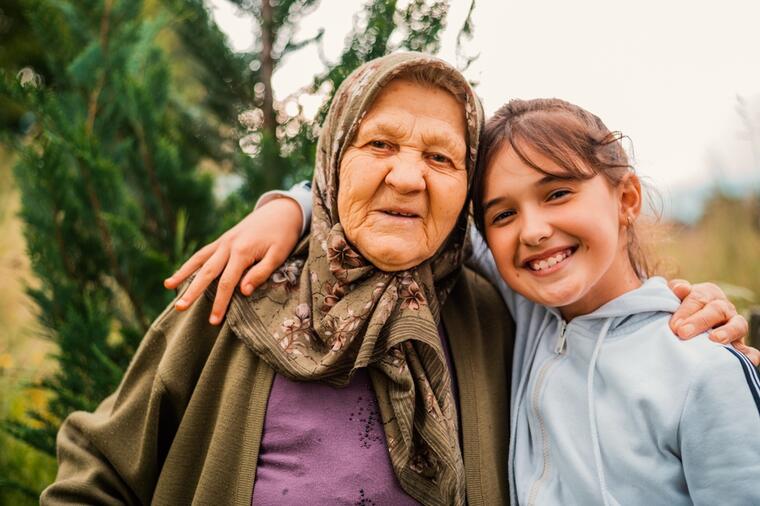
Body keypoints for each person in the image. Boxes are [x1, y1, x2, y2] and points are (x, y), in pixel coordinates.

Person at [42, 52, 514, 506]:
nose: (409, 178)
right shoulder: (243, 285)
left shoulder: (492, 316)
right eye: (380, 144)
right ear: (333, 158)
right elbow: (98, 467)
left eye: (440, 158)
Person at [470, 98, 760, 504]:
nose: (532, 231)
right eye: (503, 215)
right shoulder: (528, 317)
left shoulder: (703, 366)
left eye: (557, 193)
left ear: (626, 200)